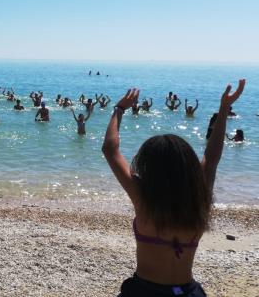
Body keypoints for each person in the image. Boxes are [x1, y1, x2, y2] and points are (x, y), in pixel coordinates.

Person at [101, 80, 245, 297]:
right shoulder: (199, 200)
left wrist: (119, 109)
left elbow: (110, 150)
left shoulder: (144, 200)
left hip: (144, 291)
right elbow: (212, 157)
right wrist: (223, 109)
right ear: (189, 166)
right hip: (187, 292)